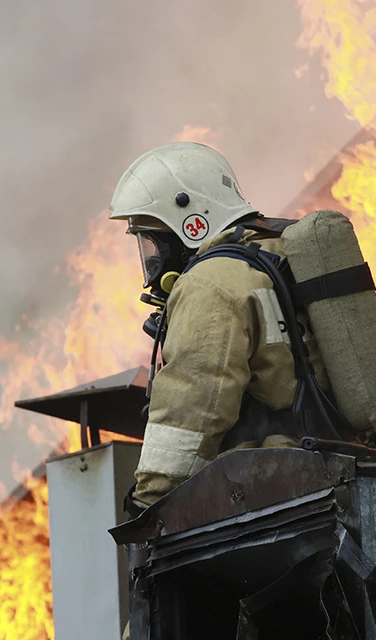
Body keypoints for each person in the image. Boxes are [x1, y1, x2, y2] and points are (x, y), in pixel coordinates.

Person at [109, 141, 337, 512]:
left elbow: (192, 409)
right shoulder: (276, 254)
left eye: (152, 243)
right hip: (332, 478)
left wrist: (148, 507)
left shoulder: (211, 282)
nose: (151, 262)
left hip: (269, 498)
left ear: (190, 225)